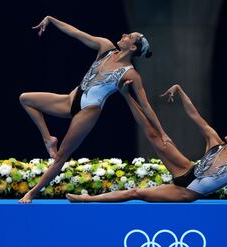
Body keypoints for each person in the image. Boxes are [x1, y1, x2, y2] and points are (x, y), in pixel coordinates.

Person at [19, 16, 170, 203]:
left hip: (88, 110)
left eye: (129, 36)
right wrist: (51, 20)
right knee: (26, 99)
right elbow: (76, 33)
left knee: (61, 156)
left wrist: (162, 132)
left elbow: (146, 106)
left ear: (132, 48)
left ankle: (32, 193)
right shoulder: (105, 48)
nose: (123, 35)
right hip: (70, 99)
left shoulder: (130, 74)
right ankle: (48, 139)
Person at [67, 84, 227, 203]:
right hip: (185, 169)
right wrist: (180, 90)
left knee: (136, 193)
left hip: (186, 192)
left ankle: (87, 199)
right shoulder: (215, 141)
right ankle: (125, 94)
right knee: (154, 135)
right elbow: (194, 115)